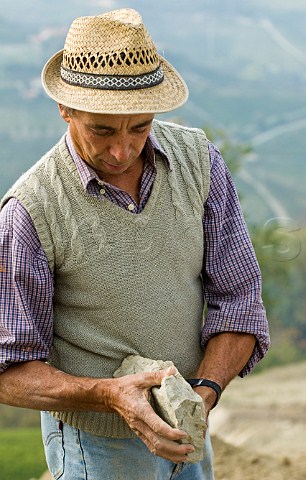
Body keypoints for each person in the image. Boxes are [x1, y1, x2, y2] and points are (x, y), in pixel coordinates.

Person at [0, 8, 269, 480]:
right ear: (65, 108)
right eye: (102, 130)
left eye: (140, 127)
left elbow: (239, 301)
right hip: (96, 447)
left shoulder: (199, 162)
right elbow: (9, 370)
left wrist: (204, 392)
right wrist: (108, 394)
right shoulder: (31, 211)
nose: (122, 151)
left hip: (188, 424)